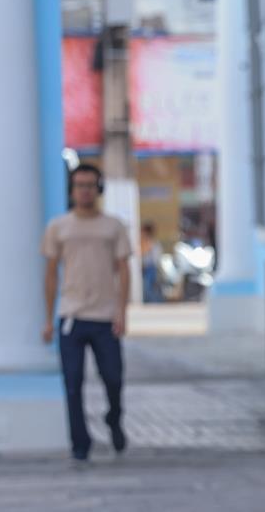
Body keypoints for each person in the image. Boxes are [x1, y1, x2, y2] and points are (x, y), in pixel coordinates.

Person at [42, 163, 131, 463]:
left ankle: (114, 418)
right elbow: (51, 273)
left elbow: (123, 270)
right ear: (72, 189)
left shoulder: (113, 227)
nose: (85, 191)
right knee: (72, 382)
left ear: (99, 189)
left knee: (114, 378)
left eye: (90, 185)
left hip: (105, 317)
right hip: (71, 315)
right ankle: (80, 443)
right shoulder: (59, 227)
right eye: (79, 185)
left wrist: (122, 312)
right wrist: (47, 319)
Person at [140, 221, 163, 303]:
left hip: (150, 268)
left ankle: (156, 303)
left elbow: (154, 258)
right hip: (146, 268)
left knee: (149, 288)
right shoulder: (145, 243)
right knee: (148, 288)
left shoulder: (152, 243)